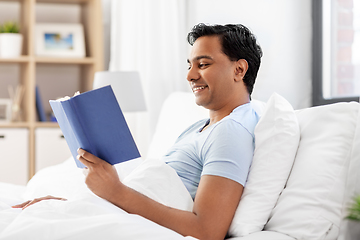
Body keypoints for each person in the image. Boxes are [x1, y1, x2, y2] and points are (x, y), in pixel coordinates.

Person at [13, 23, 263, 240]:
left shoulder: (231, 131)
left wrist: (114, 191)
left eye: (203, 64)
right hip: (118, 210)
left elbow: (207, 231)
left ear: (239, 70)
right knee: (36, 212)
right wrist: (77, 206)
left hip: (127, 214)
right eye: (189, 65)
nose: (190, 75)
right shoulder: (200, 128)